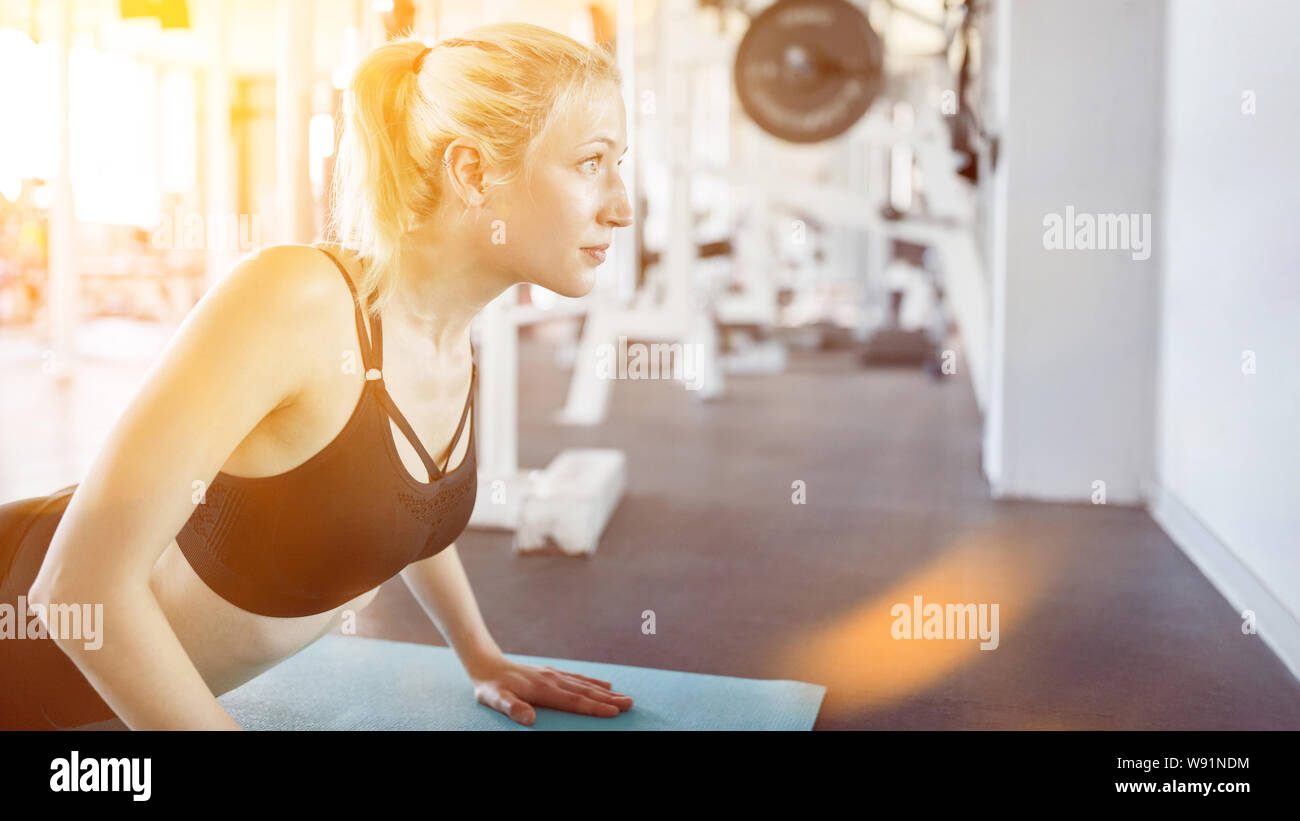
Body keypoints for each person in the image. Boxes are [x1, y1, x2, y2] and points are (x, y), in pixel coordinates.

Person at [0, 22, 634, 730]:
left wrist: (481, 654)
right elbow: (73, 586)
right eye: (591, 163)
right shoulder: (297, 299)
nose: (622, 205)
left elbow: (409, 512)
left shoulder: (451, 342)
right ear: (473, 172)